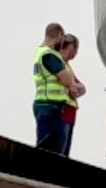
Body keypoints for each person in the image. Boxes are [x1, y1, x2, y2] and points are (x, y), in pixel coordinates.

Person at [31, 24, 83, 153]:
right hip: (51, 107)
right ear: (59, 35)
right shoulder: (49, 55)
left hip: (47, 105)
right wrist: (71, 83)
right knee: (53, 149)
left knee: (48, 147)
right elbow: (68, 80)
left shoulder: (40, 53)